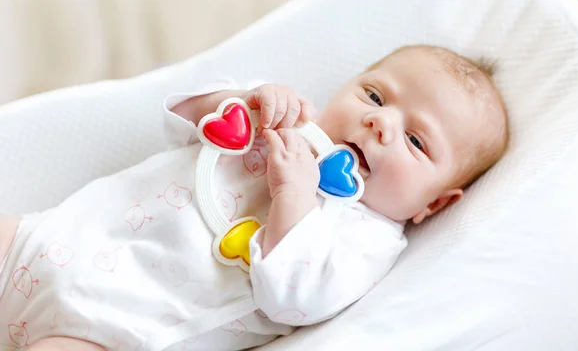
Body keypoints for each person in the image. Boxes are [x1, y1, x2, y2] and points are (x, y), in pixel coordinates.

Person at [0, 45, 508, 350]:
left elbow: (295, 296)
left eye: (417, 141)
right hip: (47, 238)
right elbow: (179, 121)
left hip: (113, 329)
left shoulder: (366, 241)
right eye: (375, 96)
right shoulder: (283, 123)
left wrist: (293, 195)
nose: (380, 121)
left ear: (435, 204)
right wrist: (239, 100)